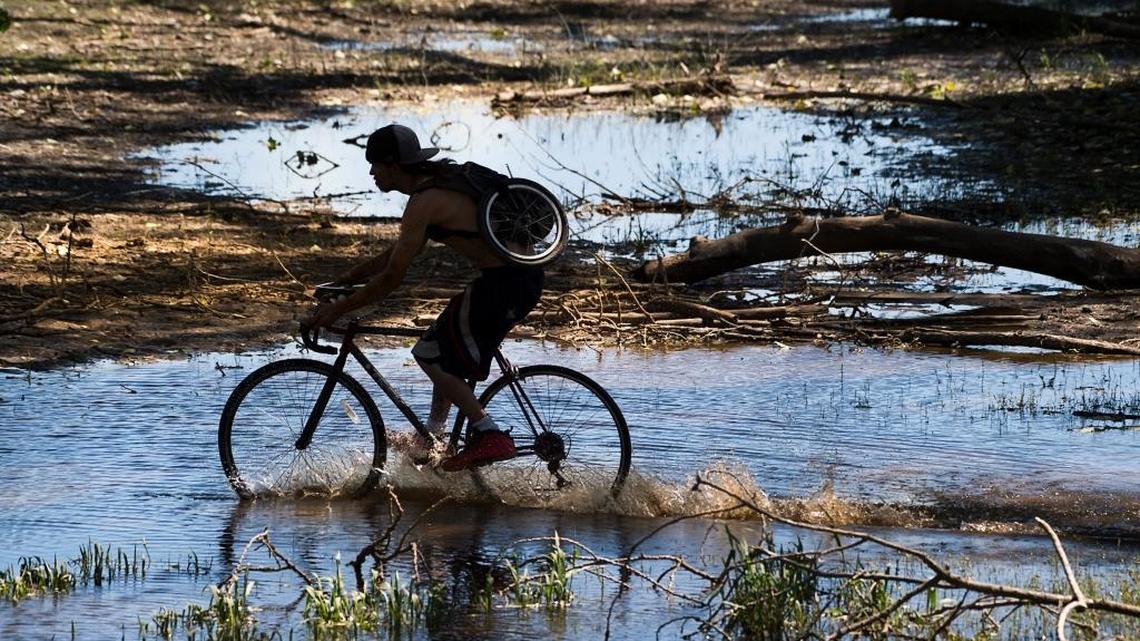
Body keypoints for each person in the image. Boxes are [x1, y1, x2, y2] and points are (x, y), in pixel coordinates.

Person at [304, 123, 544, 471]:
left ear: (394, 166)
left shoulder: (424, 202)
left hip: (505, 284)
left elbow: (391, 278)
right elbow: (397, 252)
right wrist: (344, 281)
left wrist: (338, 309)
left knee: (428, 353)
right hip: (515, 280)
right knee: (443, 351)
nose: (371, 172)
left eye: (375, 164)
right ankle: (433, 435)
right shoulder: (435, 187)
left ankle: (489, 432)